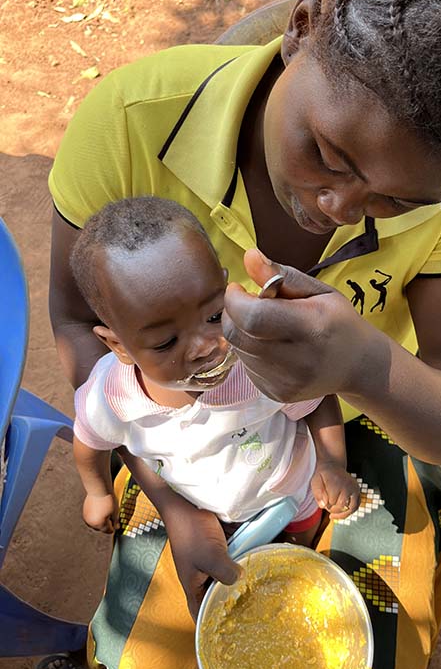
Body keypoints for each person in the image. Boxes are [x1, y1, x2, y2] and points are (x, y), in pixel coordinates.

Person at [43, 0, 441, 669]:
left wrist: (365, 366)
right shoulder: (131, 122)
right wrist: (169, 497)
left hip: (366, 426)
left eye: (403, 201)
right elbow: (72, 321)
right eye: (328, 154)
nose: (336, 208)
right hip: (174, 442)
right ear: (301, 27)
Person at [69, 196, 358, 557]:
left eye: (213, 315)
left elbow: (317, 400)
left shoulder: (259, 365)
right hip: (202, 505)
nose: (205, 347)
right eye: (166, 342)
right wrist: (97, 492)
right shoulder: (112, 398)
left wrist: (332, 464)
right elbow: (88, 442)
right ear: (119, 345)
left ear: (224, 287)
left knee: (297, 551)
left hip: (286, 490)